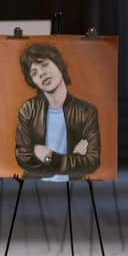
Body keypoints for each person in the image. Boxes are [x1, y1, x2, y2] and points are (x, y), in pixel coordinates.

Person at [15, 43, 100, 179]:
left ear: (59, 64)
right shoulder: (28, 109)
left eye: (44, 64)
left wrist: (49, 157)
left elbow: (92, 161)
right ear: (33, 81)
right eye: (34, 73)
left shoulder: (86, 112)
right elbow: (23, 157)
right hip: (34, 188)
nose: (41, 73)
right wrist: (72, 159)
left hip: (75, 188)